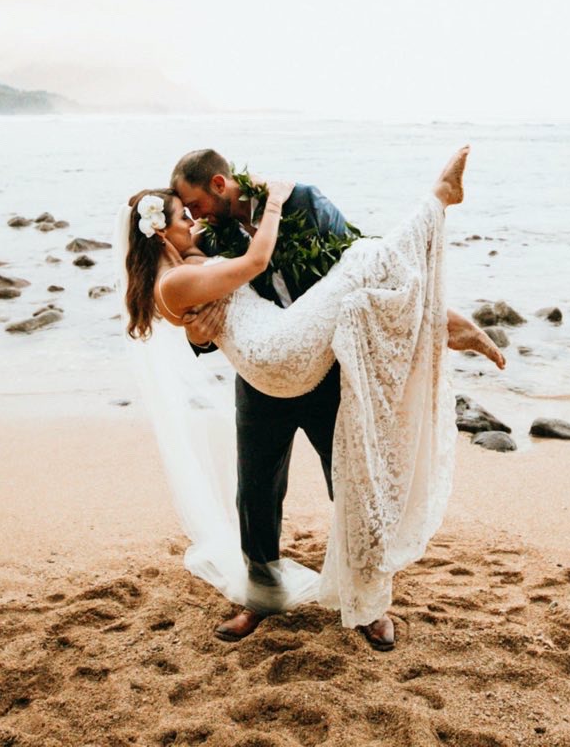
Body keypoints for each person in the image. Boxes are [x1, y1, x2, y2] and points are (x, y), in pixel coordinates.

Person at [121, 147, 503, 651]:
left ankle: (371, 603)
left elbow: (351, 261)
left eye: (196, 204)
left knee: (353, 482)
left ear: (218, 184)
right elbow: (206, 321)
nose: (194, 218)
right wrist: (196, 330)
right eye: (184, 212)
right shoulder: (211, 239)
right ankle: (258, 598)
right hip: (261, 381)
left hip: (326, 369)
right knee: (255, 494)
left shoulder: (300, 200)